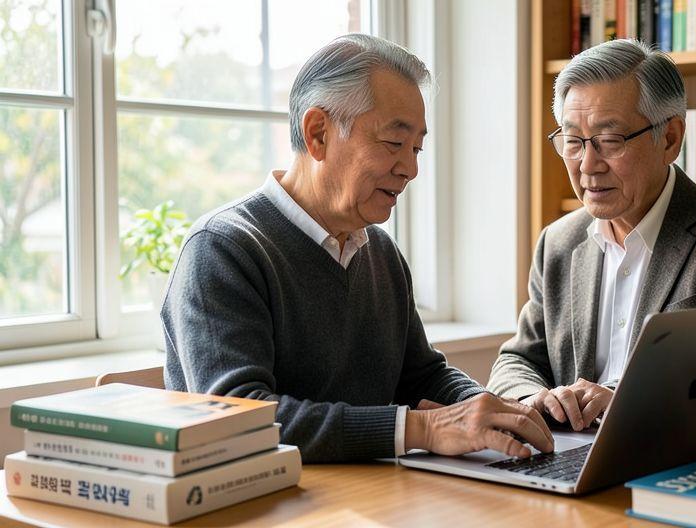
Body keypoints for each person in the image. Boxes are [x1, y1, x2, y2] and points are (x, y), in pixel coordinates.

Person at [163, 34, 553, 463]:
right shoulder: (223, 249)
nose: (411, 168)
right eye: (393, 142)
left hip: (372, 498)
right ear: (318, 134)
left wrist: (498, 413)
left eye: (417, 147)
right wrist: (422, 428)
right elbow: (240, 416)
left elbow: (422, 376)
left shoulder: (380, 253)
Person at [487, 39, 696, 430]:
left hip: (674, 464)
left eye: (610, 140)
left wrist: (632, 402)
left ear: (670, 139)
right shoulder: (559, 243)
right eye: (573, 141)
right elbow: (516, 361)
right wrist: (534, 397)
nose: (587, 164)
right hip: (567, 459)